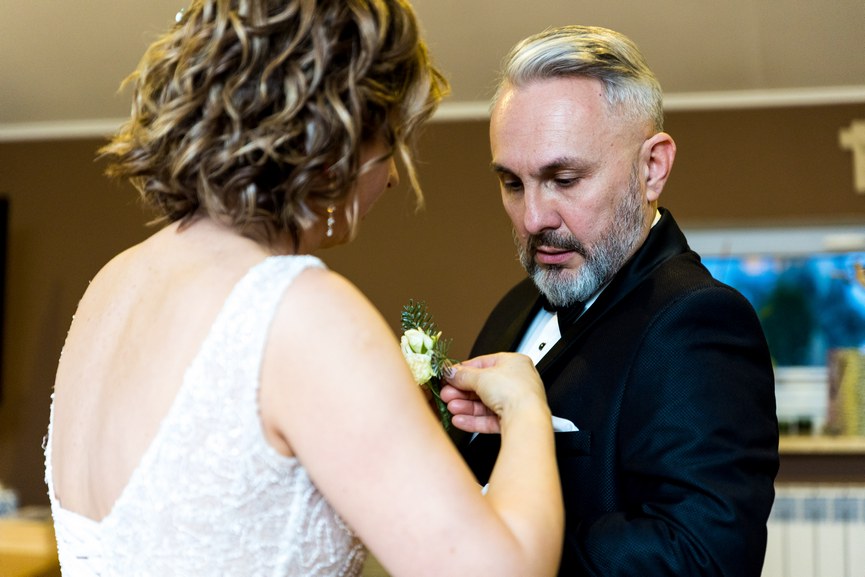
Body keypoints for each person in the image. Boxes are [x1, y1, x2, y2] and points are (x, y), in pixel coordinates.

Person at [43, 2, 564, 576]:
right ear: (341, 140)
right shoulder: (297, 311)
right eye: (391, 142)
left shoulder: (111, 285)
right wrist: (527, 407)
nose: (392, 176)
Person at [443, 25, 779, 577]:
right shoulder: (514, 306)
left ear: (652, 169)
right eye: (512, 183)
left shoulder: (699, 322)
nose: (533, 218)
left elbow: (702, 558)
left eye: (564, 178)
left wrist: (507, 546)